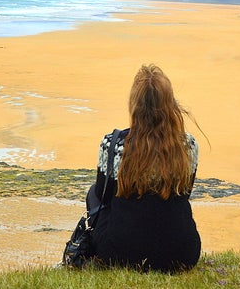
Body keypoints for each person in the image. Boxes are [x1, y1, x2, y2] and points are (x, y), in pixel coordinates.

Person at [85, 64, 202, 272]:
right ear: (170, 104)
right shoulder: (188, 146)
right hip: (182, 253)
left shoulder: (112, 145)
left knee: (92, 194)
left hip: (119, 253)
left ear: (134, 105)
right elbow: (185, 193)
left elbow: (104, 197)